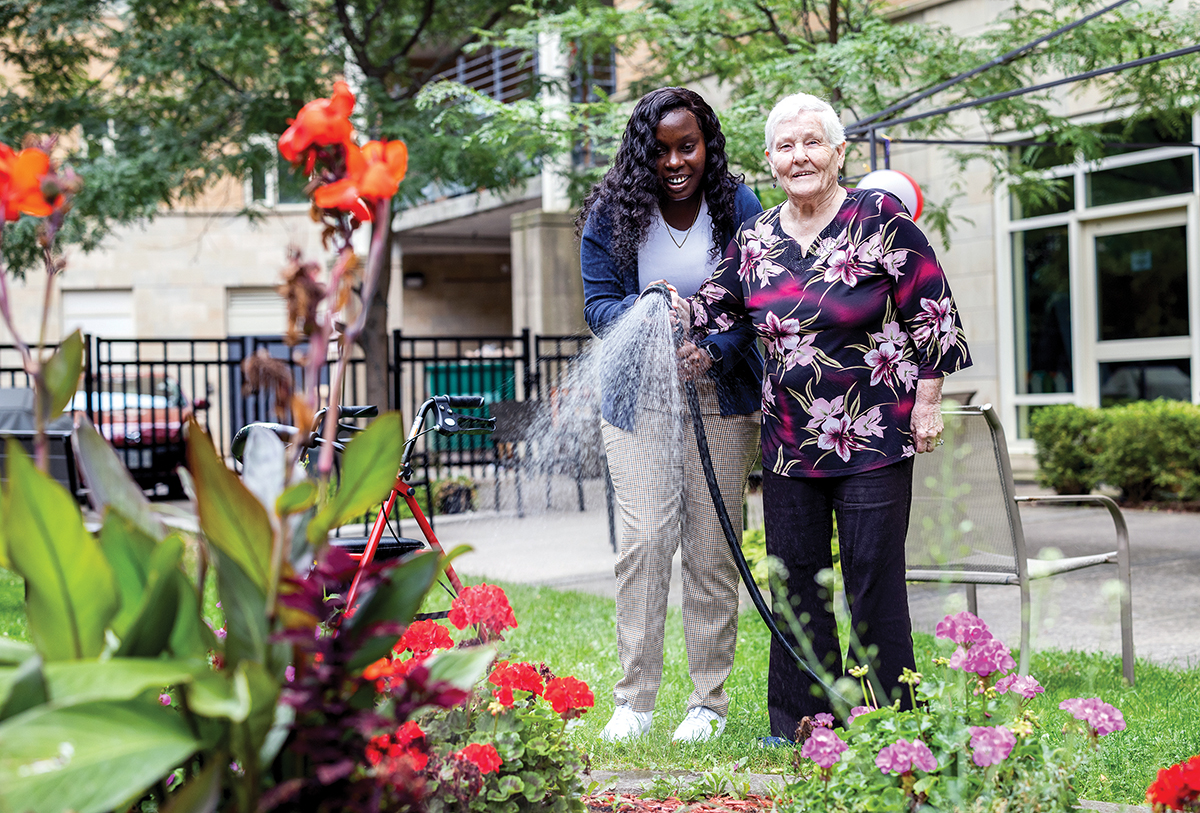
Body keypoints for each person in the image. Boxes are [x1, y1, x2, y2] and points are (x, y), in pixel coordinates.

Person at [677, 92, 972, 740]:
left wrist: (927, 402)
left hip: (874, 433)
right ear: (770, 160)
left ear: (839, 152)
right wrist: (668, 311)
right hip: (788, 441)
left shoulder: (880, 220)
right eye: (785, 145)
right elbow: (717, 307)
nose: (799, 156)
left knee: (872, 577)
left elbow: (934, 314)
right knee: (798, 583)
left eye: (812, 142)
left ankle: (893, 717)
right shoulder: (756, 239)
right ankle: (800, 720)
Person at [578, 87, 764, 743]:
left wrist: (711, 352)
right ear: (642, 154)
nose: (675, 161)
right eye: (660, 150)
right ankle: (635, 700)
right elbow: (599, 308)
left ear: (706, 143)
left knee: (713, 547)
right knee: (648, 538)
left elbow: (755, 302)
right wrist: (647, 309)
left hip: (720, 392)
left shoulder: (738, 206)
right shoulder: (613, 213)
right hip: (638, 395)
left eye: (687, 146)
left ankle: (706, 703)